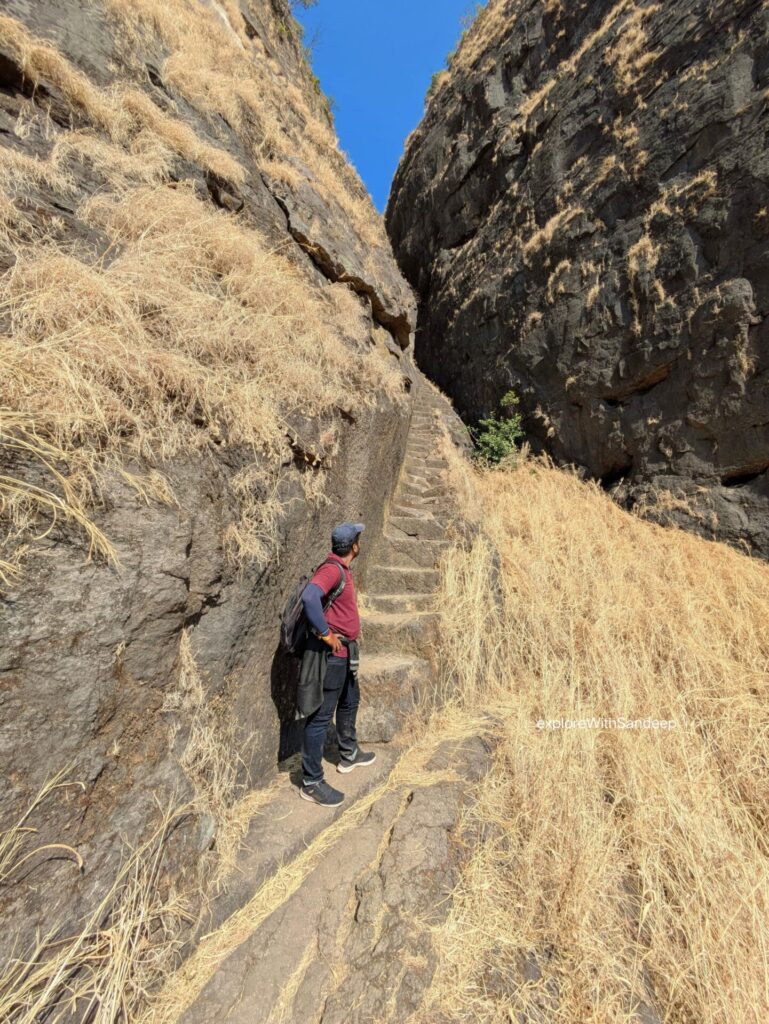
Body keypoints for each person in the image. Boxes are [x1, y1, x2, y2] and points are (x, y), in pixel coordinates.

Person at [297, 522, 376, 806]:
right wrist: (327, 634)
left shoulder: (341, 569)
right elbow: (309, 597)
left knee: (349, 702)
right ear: (353, 546)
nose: (360, 543)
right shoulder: (331, 569)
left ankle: (348, 754)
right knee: (319, 717)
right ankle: (311, 781)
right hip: (331, 656)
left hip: (346, 655)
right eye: (359, 539)